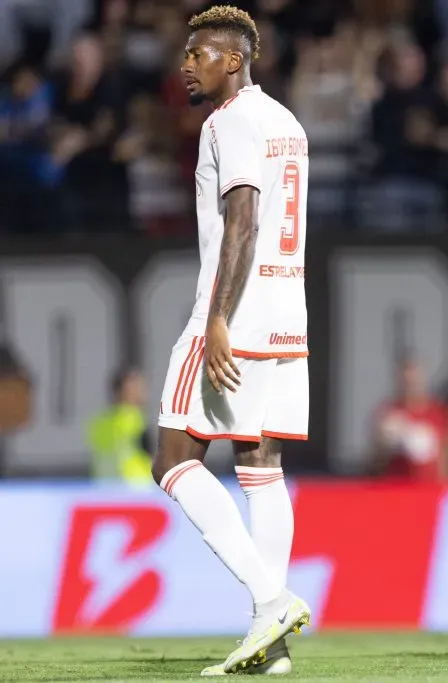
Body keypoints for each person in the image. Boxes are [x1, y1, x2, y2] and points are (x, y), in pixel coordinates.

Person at [151, 6, 310, 675]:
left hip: (233, 312)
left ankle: (271, 598)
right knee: (260, 466)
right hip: (287, 311)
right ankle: (269, 644)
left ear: (233, 59)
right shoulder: (286, 120)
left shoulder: (230, 120)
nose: (185, 65)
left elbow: (241, 217)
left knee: (172, 457)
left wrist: (217, 317)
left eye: (198, 54)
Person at [86, 367, 152, 486]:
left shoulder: (98, 423)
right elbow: (150, 453)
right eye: (137, 386)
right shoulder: (135, 420)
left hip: (103, 487)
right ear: (124, 390)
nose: (142, 391)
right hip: (136, 488)